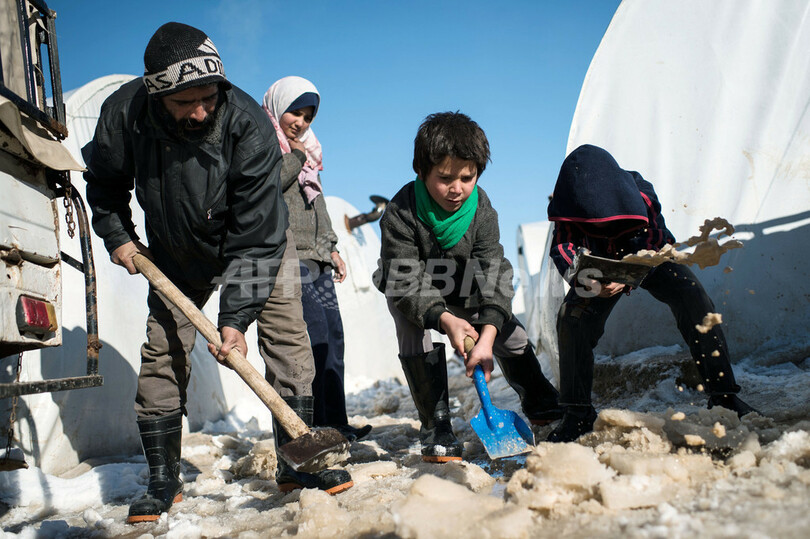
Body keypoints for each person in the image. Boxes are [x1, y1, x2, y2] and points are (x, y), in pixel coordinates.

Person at [81, 23, 352, 524]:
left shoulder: (245, 121)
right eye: (187, 101)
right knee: (163, 349)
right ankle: (163, 478)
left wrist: (235, 319)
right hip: (176, 251)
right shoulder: (124, 114)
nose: (202, 110)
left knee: (289, 342)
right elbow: (105, 182)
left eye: (209, 96)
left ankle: (299, 460)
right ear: (157, 91)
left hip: (260, 246)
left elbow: (258, 230)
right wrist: (117, 235)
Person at [374, 111, 562, 462]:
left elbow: (493, 269)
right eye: (444, 178)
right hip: (413, 293)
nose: (457, 188)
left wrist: (487, 334)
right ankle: (436, 426)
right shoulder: (401, 211)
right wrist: (444, 319)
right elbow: (404, 277)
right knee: (412, 328)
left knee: (511, 335)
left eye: (467, 177)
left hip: (465, 289)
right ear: (422, 171)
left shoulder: (481, 209)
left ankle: (541, 405)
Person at [546, 144, 758, 443]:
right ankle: (577, 413)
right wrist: (588, 278)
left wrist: (627, 277)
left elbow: (656, 241)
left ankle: (724, 396)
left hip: (645, 256)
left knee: (692, 296)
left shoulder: (641, 193)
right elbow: (563, 248)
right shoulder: (566, 204)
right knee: (572, 319)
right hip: (595, 267)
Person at [261, 76, 371, 443]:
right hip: (292, 258)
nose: (301, 123)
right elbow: (269, 185)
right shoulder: (265, 144)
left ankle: (336, 421)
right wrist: (294, 155)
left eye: (308, 116)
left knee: (333, 336)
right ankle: (315, 422)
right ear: (278, 108)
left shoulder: (310, 152)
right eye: (296, 112)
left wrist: (332, 247)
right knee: (314, 335)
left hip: (317, 259)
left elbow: (317, 202)